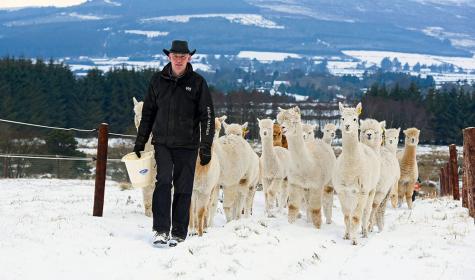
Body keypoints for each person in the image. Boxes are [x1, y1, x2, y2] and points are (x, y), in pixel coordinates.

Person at [133, 40, 215, 247]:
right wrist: (141, 141)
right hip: (162, 143)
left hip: (188, 145)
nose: (179, 60)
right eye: (175, 56)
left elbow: (207, 116)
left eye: (183, 56)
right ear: (169, 57)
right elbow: (148, 114)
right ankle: (160, 230)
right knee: (162, 182)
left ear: (189, 58)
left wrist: (205, 145)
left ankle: (179, 232)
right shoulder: (157, 81)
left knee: (184, 187)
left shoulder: (197, 83)